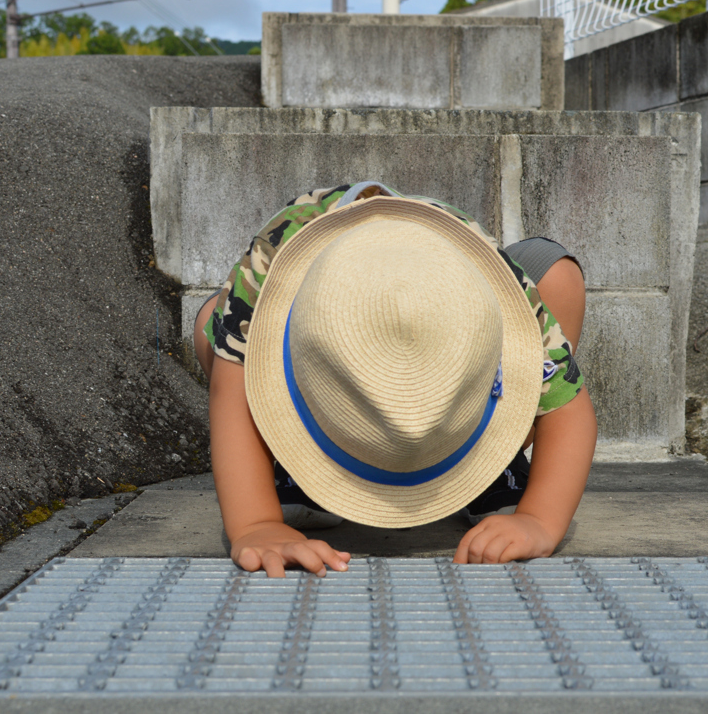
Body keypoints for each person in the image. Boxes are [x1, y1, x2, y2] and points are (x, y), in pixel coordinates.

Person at [192, 182, 596, 578]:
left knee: (557, 275)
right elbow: (231, 395)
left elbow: (569, 407)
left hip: (454, 284)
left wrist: (539, 519)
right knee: (214, 322)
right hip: (300, 290)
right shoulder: (270, 264)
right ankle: (292, 462)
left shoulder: (495, 284)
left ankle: (498, 463)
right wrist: (255, 523)